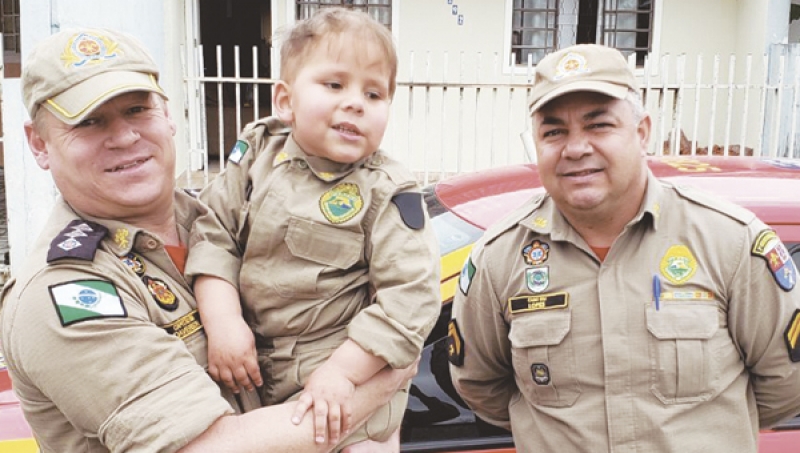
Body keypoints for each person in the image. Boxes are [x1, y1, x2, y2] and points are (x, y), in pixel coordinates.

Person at [0, 27, 415, 453]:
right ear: (39, 143)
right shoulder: (63, 293)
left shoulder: (230, 218)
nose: (124, 137)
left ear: (168, 115)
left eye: (138, 109)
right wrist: (385, 383)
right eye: (89, 121)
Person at [448, 43, 800, 452]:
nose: (575, 148)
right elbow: (480, 386)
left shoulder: (730, 241)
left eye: (598, 125)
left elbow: (785, 383)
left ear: (642, 132)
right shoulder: (499, 258)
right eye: (553, 131)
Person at [186, 8, 441, 452]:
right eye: (335, 84)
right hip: (251, 386)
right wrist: (223, 321)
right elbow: (214, 233)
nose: (356, 102)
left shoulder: (386, 190)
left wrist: (343, 372)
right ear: (285, 100)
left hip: (347, 399)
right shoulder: (256, 155)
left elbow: (411, 298)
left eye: (375, 94)